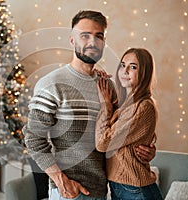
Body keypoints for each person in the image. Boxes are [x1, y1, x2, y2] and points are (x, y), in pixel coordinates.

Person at [23, 10, 156, 200]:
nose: (92, 42)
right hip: (69, 192)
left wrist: (148, 148)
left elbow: (124, 130)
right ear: (72, 40)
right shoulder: (51, 84)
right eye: (84, 36)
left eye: (98, 36)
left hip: (101, 191)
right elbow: (33, 139)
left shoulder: (108, 87)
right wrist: (61, 181)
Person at [95, 48, 163, 200]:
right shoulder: (124, 103)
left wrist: (105, 104)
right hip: (120, 186)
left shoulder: (143, 106)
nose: (125, 70)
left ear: (144, 73)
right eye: (122, 65)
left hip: (135, 189)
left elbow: (102, 143)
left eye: (133, 67)